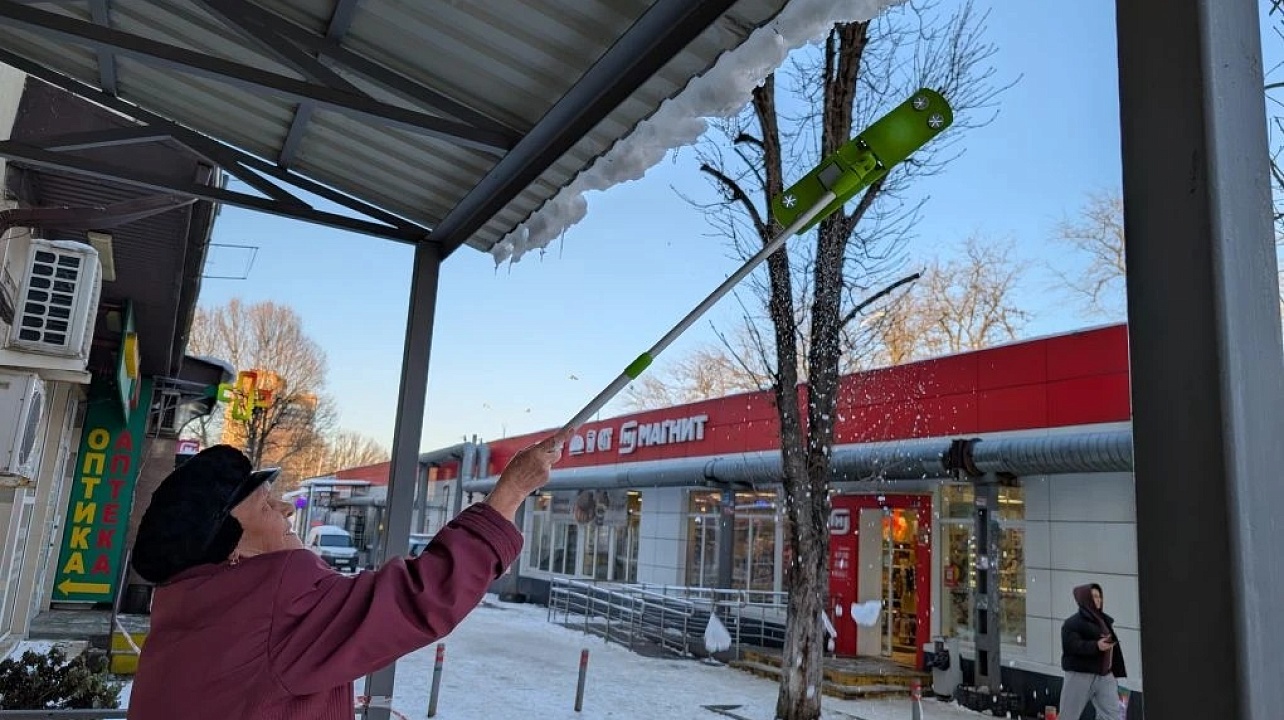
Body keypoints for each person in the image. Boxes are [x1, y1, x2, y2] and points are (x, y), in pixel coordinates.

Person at [125, 432, 567, 720]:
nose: (284, 508)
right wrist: (509, 494)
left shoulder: (187, 606)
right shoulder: (273, 600)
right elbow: (420, 597)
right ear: (233, 549)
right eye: (264, 505)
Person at [1059, 583, 1127, 720]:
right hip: (1080, 676)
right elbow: (1072, 646)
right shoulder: (1072, 623)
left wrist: (1114, 669)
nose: (1098, 600)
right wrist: (1096, 646)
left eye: (1099, 596)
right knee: (1069, 715)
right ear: (1085, 599)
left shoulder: (1104, 621)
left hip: (1105, 676)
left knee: (1113, 716)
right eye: (1094, 596)